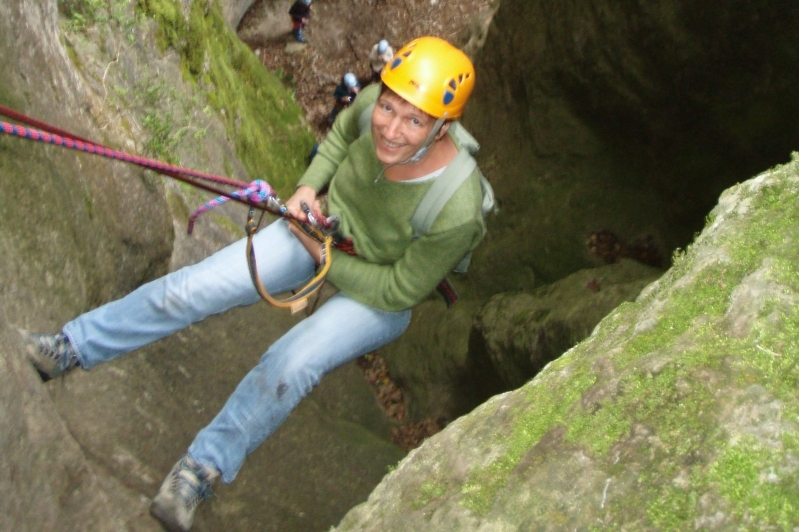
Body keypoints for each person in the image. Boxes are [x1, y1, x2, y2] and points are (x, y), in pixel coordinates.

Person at [19, 36, 483, 532]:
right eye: (388, 108)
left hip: (377, 284)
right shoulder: (375, 101)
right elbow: (343, 135)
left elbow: (398, 292)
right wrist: (308, 187)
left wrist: (316, 252)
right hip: (325, 227)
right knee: (197, 287)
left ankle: (202, 467)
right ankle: (72, 346)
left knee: (292, 363)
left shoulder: (458, 209)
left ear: (442, 128)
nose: (390, 128)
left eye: (413, 120)